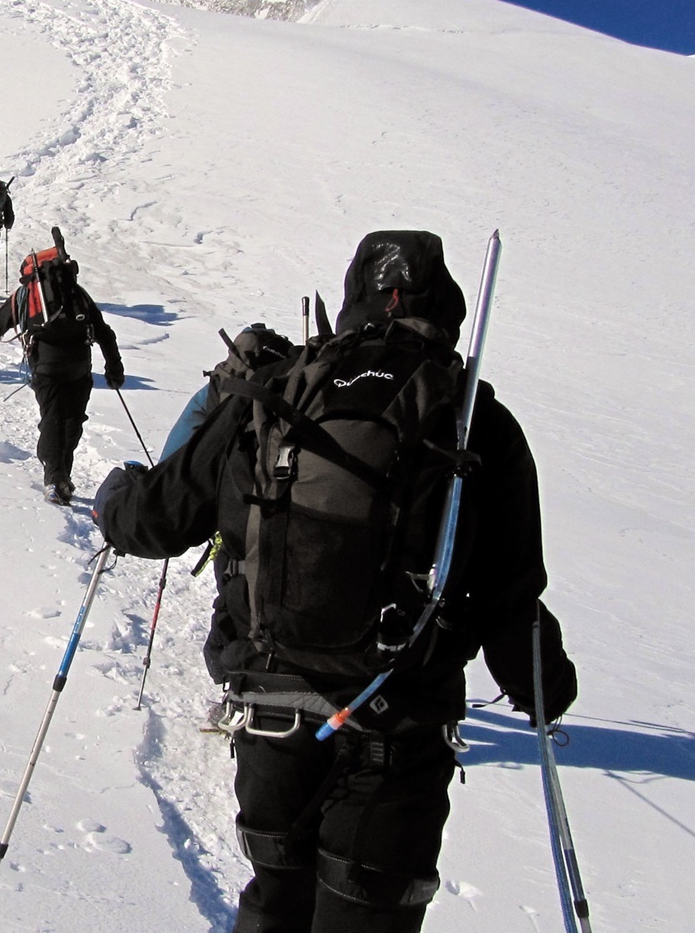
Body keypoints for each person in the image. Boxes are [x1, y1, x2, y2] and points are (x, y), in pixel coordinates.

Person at [93, 230, 578, 932]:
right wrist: (545, 689)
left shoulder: (278, 392)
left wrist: (114, 500)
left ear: (351, 299)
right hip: (396, 742)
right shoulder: (477, 424)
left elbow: (159, 520)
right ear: (447, 311)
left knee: (276, 901)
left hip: (274, 722)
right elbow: (511, 604)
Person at [0, 236, 124, 503]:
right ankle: (63, 477)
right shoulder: (76, 293)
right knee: (72, 419)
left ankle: (54, 478)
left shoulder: (26, 295)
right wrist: (114, 368)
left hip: (46, 365)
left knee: (52, 418)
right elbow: (104, 332)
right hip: (80, 365)